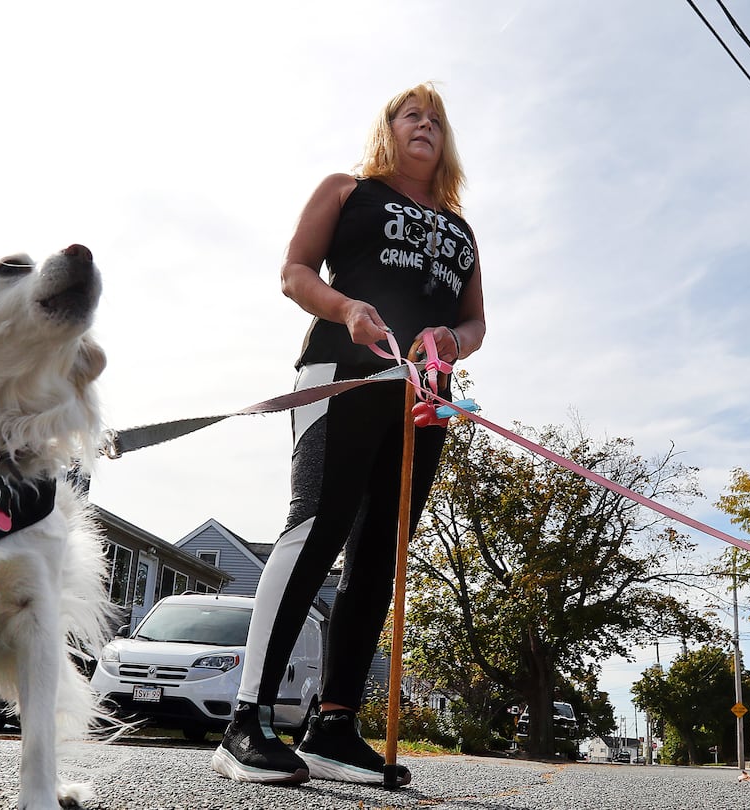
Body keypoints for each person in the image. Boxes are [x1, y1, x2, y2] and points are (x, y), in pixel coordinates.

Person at [210, 82, 486, 786]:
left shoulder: (461, 228)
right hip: (342, 372)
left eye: (435, 119)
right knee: (317, 525)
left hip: (423, 397)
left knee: (380, 554)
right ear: (388, 129)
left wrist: (450, 340)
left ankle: (332, 726)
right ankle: (247, 721)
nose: (424, 124)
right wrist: (346, 307)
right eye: (410, 115)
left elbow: (477, 323)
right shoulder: (347, 189)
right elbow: (292, 272)